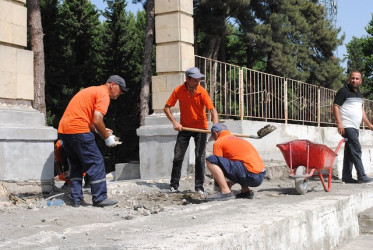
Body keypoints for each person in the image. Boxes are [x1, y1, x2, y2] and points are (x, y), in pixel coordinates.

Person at [58, 75, 127, 207]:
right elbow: (97, 119)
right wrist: (107, 138)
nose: (122, 93)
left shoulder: (92, 90)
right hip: (79, 129)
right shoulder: (103, 94)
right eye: (121, 89)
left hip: (65, 130)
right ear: (112, 85)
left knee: (76, 164)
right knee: (96, 162)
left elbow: (89, 121)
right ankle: (100, 198)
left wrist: (100, 130)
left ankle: (76, 199)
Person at [164, 67, 218, 194]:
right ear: (187, 79)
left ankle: (199, 187)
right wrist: (175, 122)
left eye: (199, 79)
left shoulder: (202, 91)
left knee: (200, 158)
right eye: (194, 80)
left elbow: (212, 110)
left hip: (201, 128)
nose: (197, 82)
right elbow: (166, 108)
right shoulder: (178, 90)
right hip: (184, 127)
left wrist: (215, 128)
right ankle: (174, 185)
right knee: (178, 157)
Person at [206, 123, 266, 201]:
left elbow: (219, 166)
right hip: (260, 175)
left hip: (249, 174)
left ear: (216, 134)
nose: (214, 139)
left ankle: (225, 192)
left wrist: (218, 187)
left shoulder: (219, 142)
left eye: (213, 137)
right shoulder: (239, 140)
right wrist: (230, 183)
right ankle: (245, 191)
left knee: (211, 160)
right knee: (239, 163)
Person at [333, 71, 373, 184]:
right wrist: (339, 123)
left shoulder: (358, 93)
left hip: (355, 126)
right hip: (347, 125)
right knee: (356, 148)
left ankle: (346, 177)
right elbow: (336, 106)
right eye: (352, 78)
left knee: (350, 151)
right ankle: (362, 176)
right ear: (349, 78)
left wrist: (369, 124)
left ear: (361, 81)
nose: (354, 80)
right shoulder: (343, 91)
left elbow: (360, 110)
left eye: (356, 78)